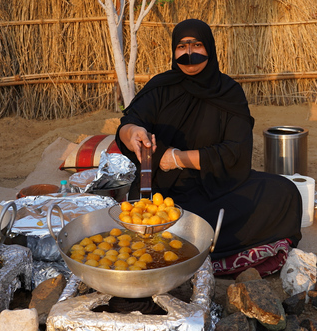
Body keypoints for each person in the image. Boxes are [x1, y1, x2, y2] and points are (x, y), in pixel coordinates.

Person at [116, 19, 302, 277]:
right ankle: (189, 242)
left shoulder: (229, 92)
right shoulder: (160, 87)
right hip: (164, 193)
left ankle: (185, 244)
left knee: (284, 192)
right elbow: (128, 124)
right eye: (181, 46)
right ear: (173, 51)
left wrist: (178, 158)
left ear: (210, 48)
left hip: (218, 186)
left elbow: (236, 151)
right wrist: (132, 133)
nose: (189, 52)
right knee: (153, 217)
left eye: (197, 44)